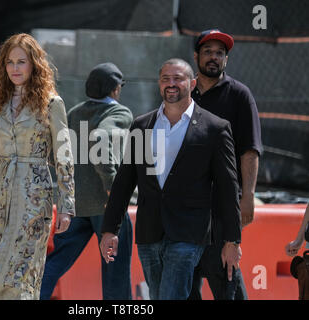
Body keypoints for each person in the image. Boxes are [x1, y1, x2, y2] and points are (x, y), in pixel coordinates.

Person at [100, 58, 242, 300]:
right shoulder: (141, 126)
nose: (171, 84)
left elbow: (228, 187)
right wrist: (109, 230)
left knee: (170, 296)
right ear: (159, 84)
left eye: (178, 78)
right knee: (157, 296)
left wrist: (233, 240)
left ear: (193, 83)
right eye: (166, 79)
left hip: (189, 233)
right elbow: (124, 181)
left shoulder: (215, 128)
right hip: (149, 232)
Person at [0, 33, 75, 300]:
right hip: (2, 197)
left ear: (34, 64)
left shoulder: (51, 104)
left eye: (21, 62)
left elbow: (65, 157)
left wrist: (67, 206)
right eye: (9, 62)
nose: (15, 68)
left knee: (21, 272)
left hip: (34, 198)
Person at [39, 62, 133, 300]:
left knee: (55, 263)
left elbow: (56, 152)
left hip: (76, 205)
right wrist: (111, 184)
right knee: (115, 271)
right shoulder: (119, 113)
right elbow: (101, 138)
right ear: (114, 89)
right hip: (106, 205)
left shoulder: (76, 112)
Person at [188, 29, 263, 300]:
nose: (214, 57)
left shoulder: (240, 95)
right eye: (208, 51)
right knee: (185, 282)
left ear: (226, 60)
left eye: (220, 53)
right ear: (196, 56)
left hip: (222, 206)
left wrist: (248, 196)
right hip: (184, 206)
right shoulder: (183, 93)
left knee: (225, 277)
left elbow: (250, 150)